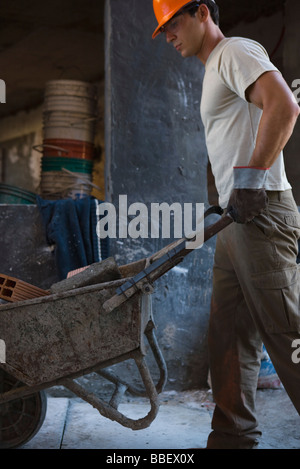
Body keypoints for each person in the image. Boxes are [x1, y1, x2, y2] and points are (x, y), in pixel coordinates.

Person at [152, 0, 300, 449]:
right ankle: (233, 437)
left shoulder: (234, 51)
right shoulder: (213, 68)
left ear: (202, 14)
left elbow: (284, 105)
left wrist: (252, 180)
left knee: (286, 332)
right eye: (163, 30)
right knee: (229, 334)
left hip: (262, 213)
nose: (170, 35)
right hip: (236, 218)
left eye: (174, 23)